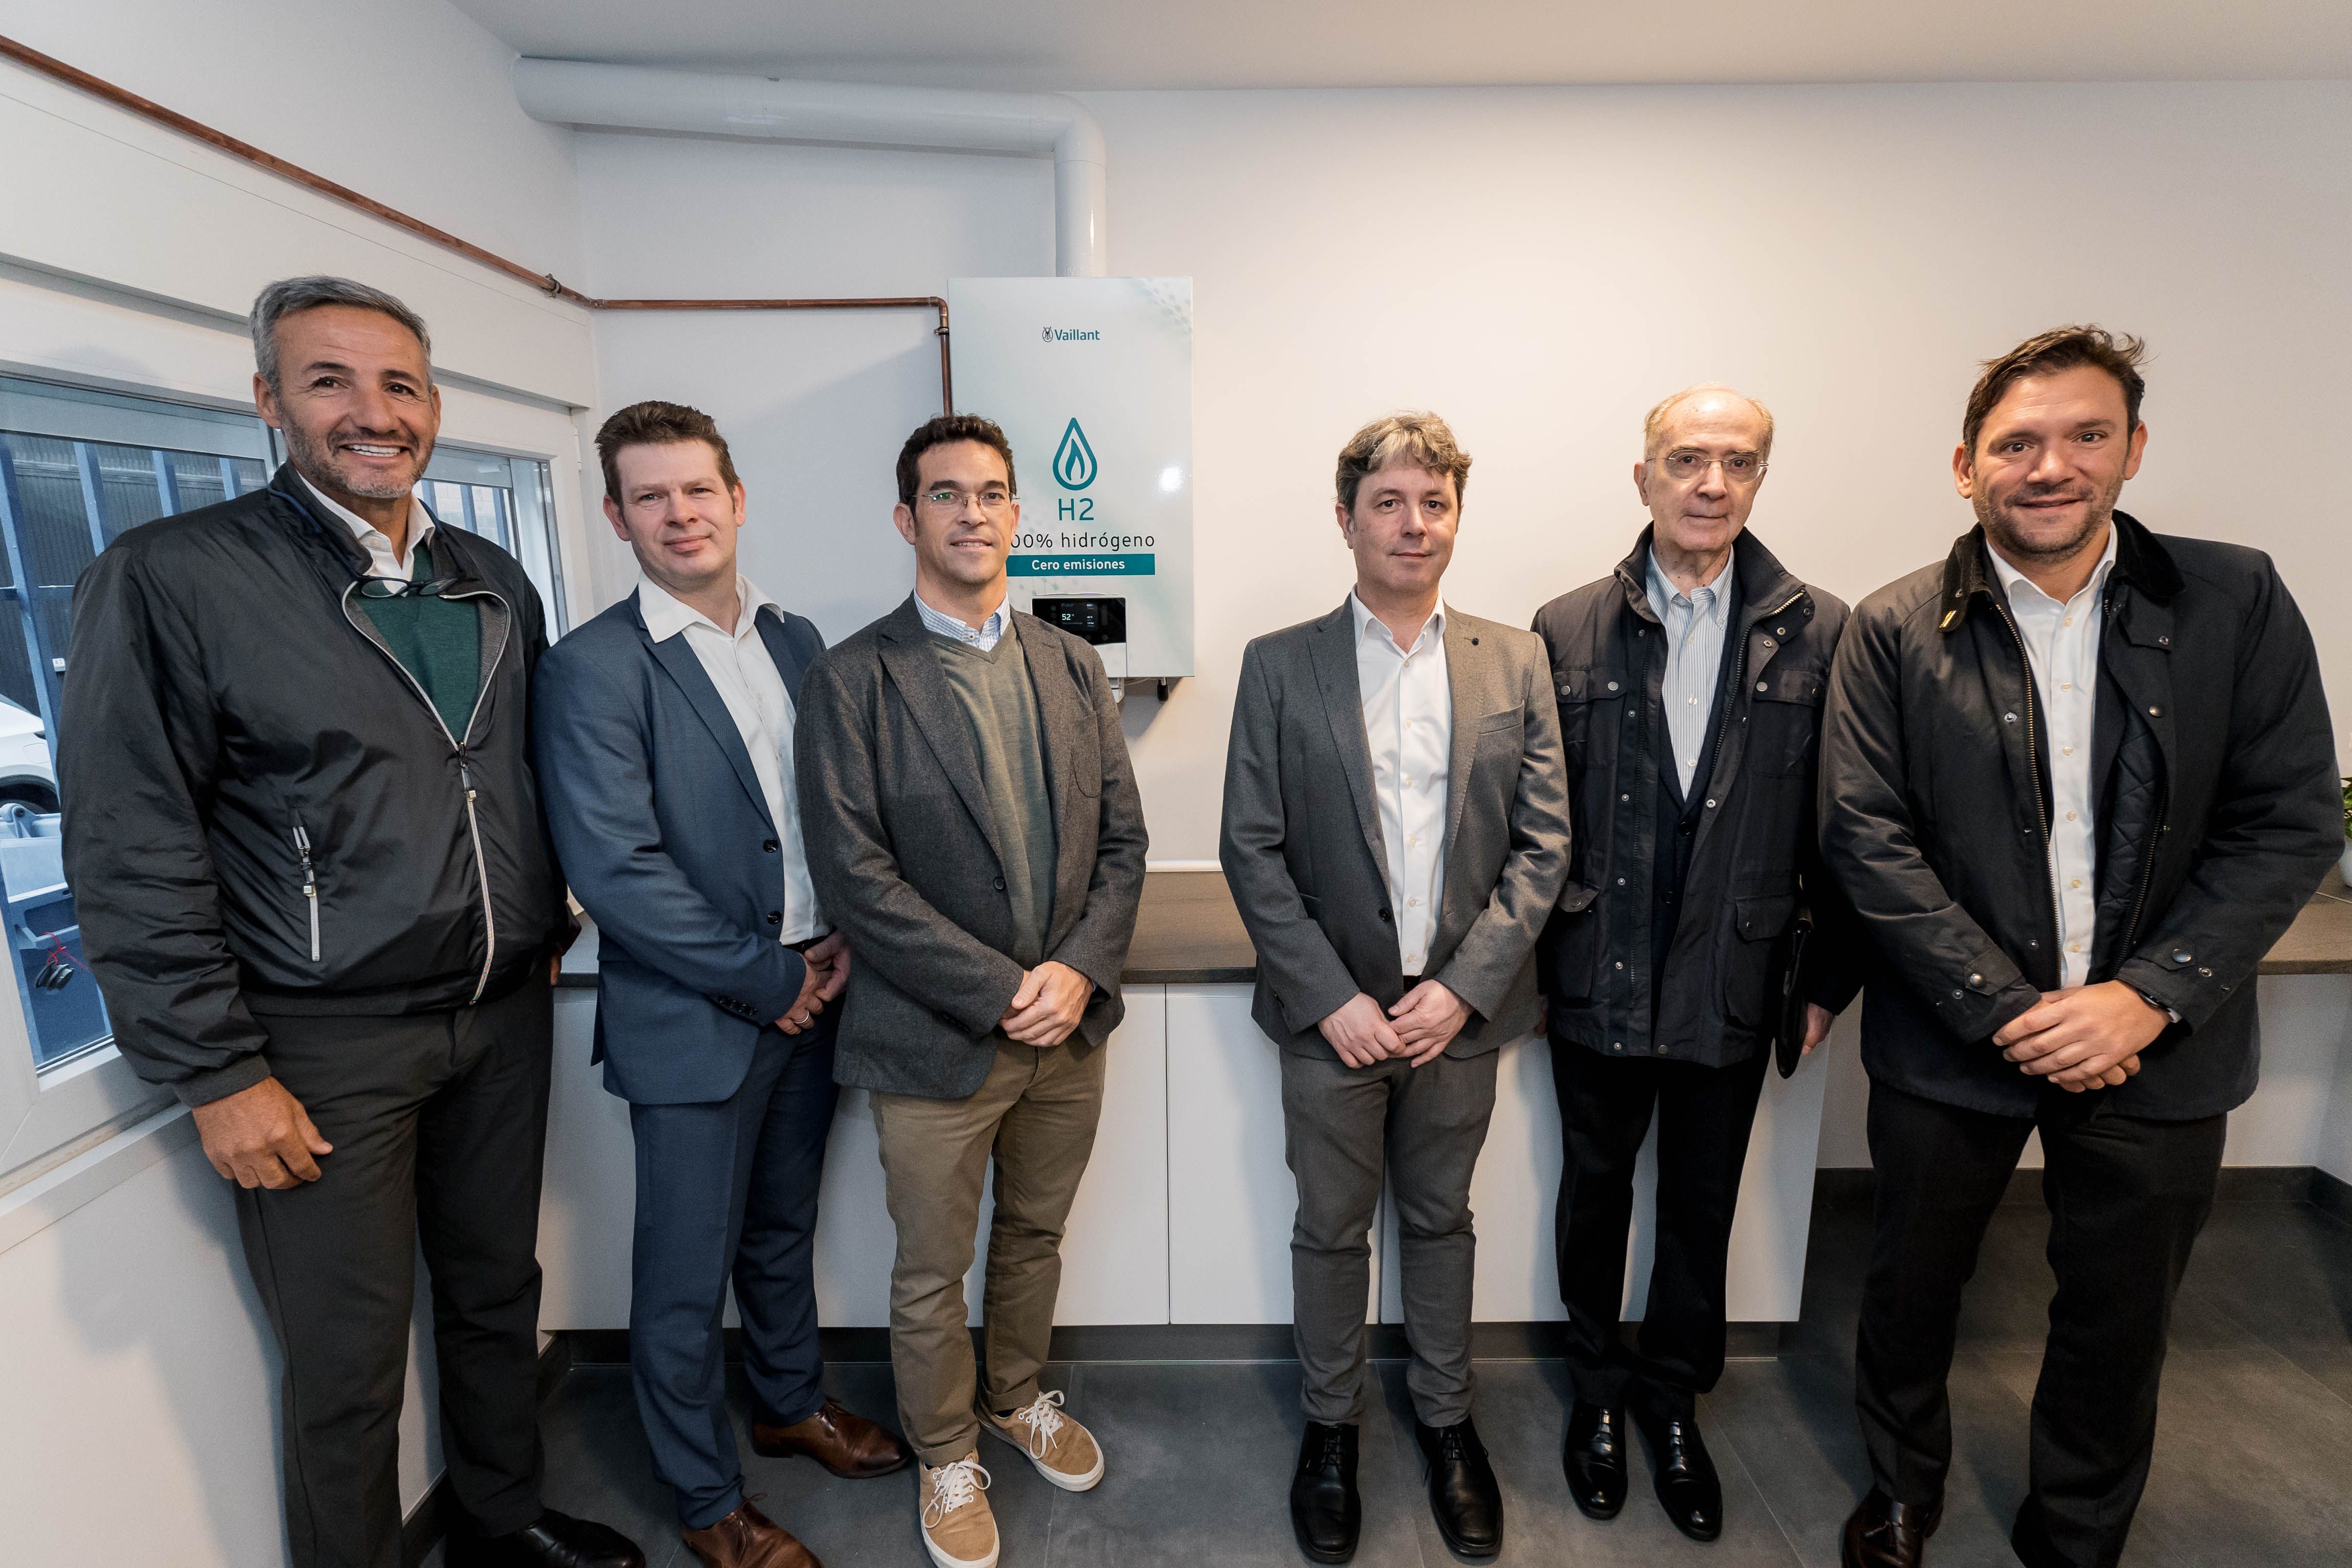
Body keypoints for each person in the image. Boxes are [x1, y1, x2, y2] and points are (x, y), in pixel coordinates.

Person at [58, 277, 641, 1568]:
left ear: (432, 406)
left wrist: (543, 922)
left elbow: (519, 776)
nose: (373, 413)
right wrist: (218, 1070)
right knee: (347, 1358)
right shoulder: (172, 578)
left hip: (499, 1012)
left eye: (399, 385)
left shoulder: (489, 578)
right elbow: (130, 842)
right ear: (269, 400)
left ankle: (501, 1520)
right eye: (330, 381)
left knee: (497, 1294)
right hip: (322, 1044)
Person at [1819, 327, 2339, 1568]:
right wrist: (2007, 1008)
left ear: (2133, 448)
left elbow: (2289, 820)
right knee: (1910, 1284)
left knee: (2121, 1309)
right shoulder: (1894, 626)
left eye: (2086, 435)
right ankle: (1901, 1488)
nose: (2050, 466)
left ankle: (2079, 1526)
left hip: (2158, 1046)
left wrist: (2148, 997)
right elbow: (1863, 834)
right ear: (1966, 467)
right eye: (2017, 443)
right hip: (1955, 1040)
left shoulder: (2237, 601)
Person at [533, 402, 912, 1568]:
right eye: (650, 496)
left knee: (782, 1229)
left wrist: (838, 941)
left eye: (698, 489)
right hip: (698, 1021)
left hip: (816, 993)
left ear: (737, 499)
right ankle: (706, 1500)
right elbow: (617, 870)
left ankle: (788, 1403)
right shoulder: (592, 669)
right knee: (685, 1278)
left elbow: (827, 813)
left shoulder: (796, 640)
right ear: (617, 517)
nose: (680, 514)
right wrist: (769, 977)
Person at [795, 413, 1148, 1568]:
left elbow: (1124, 844)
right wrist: (1003, 990)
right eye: (946, 494)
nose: (972, 513)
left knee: (1035, 1235)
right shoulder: (853, 679)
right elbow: (857, 877)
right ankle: (946, 1451)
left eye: (992, 493)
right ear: (908, 519)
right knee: (930, 1272)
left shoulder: (1071, 663)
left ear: (1017, 515)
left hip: (1068, 1031)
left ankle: (1016, 1396)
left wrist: (1077, 971)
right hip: (934, 1037)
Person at [1219, 412, 1571, 1564]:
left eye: (1435, 503)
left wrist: (1464, 990)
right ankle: (1331, 1429)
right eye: (1388, 503)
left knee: (1439, 1221)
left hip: (1455, 1018)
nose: (1413, 524)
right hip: (1333, 1021)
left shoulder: (1514, 659)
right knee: (1329, 1230)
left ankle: (1448, 1420)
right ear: (1346, 519)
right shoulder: (1280, 664)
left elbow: (1544, 846)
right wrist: (1330, 997)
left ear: (1457, 519)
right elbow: (1251, 848)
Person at [1528, 386, 1856, 1541]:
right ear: (1645, 477)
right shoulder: (1565, 627)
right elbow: (1535, 820)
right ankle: (1596, 1393)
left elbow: (1848, 824)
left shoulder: (1823, 630)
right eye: (1687, 459)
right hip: (1597, 971)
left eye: (1738, 461)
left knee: (1701, 1206)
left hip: (1737, 975)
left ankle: (1672, 1403)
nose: (1712, 483)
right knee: (1595, 1195)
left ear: (1761, 478)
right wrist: (1532, 970)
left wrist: (1825, 979)